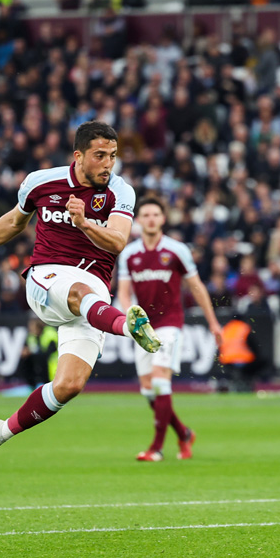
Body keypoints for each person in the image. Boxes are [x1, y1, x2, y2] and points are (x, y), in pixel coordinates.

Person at [0, 121, 161, 467]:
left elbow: (118, 241)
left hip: (93, 297)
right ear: (78, 156)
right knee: (79, 291)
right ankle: (128, 327)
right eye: (100, 156)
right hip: (48, 278)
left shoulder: (121, 191)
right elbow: (15, 222)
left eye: (113, 156)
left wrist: (85, 223)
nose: (108, 164)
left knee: (69, 385)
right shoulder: (40, 182)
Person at [116, 196, 221, 462]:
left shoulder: (177, 250)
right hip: (143, 328)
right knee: (149, 390)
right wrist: (131, 315)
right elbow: (124, 294)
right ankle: (184, 434)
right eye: (146, 215)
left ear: (163, 219)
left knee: (161, 380)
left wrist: (213, 322)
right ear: (138, 221)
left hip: (170, 324)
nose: (151, 219)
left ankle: (156, 448)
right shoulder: (129, 254)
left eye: (155, 214)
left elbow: (196, 287)